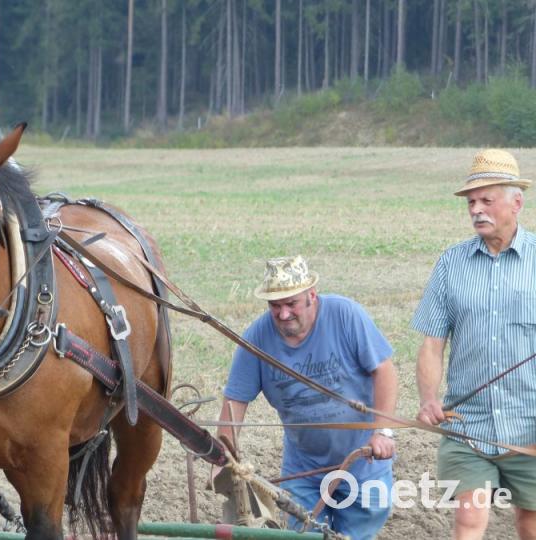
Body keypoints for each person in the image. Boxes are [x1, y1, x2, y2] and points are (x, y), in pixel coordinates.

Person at [217, 255, 397, 539]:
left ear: (311, 295)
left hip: (363, 460)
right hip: (304, 469)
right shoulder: (257, 337)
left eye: (291, 304)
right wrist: (224, 456)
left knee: (358, 533)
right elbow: (235, 401)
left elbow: (384, 370)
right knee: (303, 533)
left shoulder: (346, 315)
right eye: (275, 306)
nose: (284, 314)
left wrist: (383, 432)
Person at [413, 148, 536, 540]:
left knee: (530, 523)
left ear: (516, 202)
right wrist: (429, 399)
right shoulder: (451, 263)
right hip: (468, 427)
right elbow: (433, 343)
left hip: (530, 425)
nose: (476, 210)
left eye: (487, 200)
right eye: (471, 202)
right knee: (469, 520)